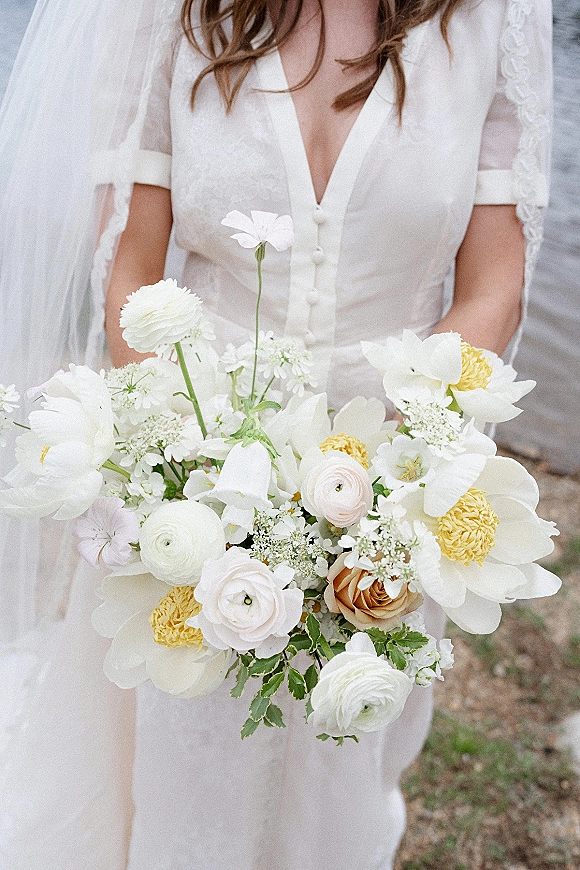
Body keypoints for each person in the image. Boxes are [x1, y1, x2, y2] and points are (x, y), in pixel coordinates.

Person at [0, 0, 551, 868]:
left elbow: (493, 284)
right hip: (197, 463)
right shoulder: (158, 13)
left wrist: (389, 484)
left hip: (393, 479)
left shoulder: (497, 17)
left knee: (341, 755)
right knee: (174, 750)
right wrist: (184, 469)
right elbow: (130, 264)